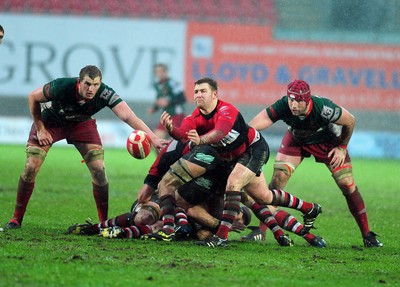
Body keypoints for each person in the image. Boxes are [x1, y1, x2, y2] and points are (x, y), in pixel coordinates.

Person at [148, 77, 322, 247]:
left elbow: (220, 133)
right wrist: (171, 130)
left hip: (253, 149)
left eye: (203, 91)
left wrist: (200, 140)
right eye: (195, 92)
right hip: (230, 158)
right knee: (264, 196)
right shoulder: (193, 118)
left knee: (234, 183)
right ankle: (309, 207)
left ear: (214, 94)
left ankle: (221, 237)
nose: (198, 95)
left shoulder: (227, 110)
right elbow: (182, 135)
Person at [5, 65, 166, 229]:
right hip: (50, 122)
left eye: (96, 84)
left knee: (99, 170)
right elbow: (33, 97)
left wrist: (153, 138)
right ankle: (16, 219)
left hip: (81, 124)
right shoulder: (62, 86)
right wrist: (40, 129)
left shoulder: (104, 93)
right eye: (87, 84)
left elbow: (128, 116)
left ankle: (103, 223)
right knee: (31, 166)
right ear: (79, 82)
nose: (91, 89)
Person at [247, 79, 382, 247]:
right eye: (291, 99)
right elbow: (261, 120)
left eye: (299, 101)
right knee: (277, 181)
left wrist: (341, 147)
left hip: (327, 142)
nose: (294, 105)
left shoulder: (324, 108)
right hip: (296, 139)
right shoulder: (284, 105)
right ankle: (262, 231)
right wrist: (245, 135)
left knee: (347, 185)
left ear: (308, 99)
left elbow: (350, 120)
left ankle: (367, 235)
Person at [148, 63, 186, 140]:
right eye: (157, 72)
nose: (158, 74)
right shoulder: (158, 85)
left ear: (165, 72)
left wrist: (169, 102)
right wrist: (154, 108)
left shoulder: (173, 83)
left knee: (178, 141)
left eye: (160, 71)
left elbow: (182, 98)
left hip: (177, 116)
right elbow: (160, 100)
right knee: (157, 139)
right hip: (166, 116)